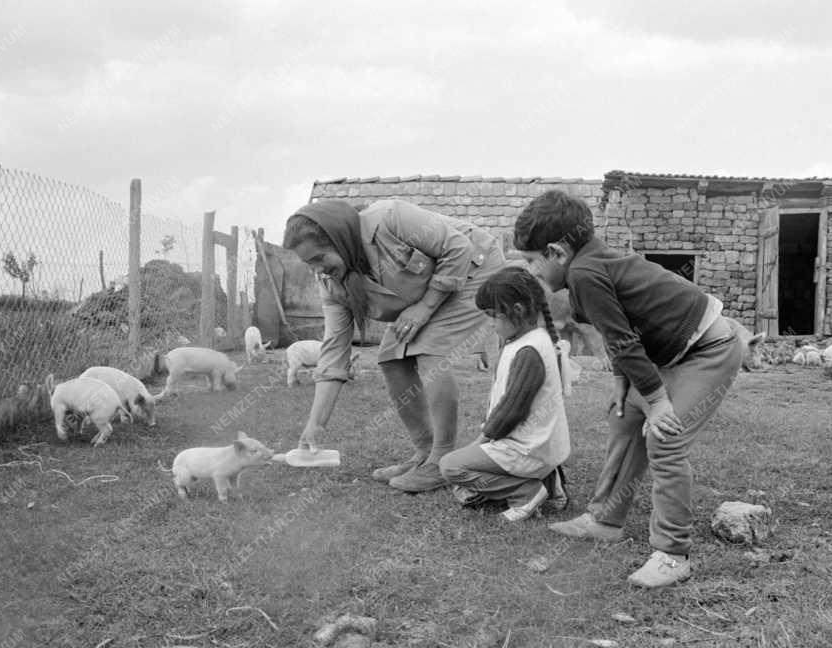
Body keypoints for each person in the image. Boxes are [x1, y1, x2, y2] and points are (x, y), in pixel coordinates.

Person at [514, 189, 741, 588]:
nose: (531, 271)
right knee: (624, 416)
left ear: (556, 252)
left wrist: (656, 402)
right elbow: (618, 328)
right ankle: (605, 520)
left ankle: (672, 554)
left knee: (664, 435)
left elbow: (623, 340)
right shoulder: (587, 265)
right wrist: (624, 383)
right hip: (672, 353)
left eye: (532, 261)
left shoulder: (584, 275)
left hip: (709, 349)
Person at [283, 198, 505, 493]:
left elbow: (458, 249)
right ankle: (425, 452)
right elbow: (334, 351)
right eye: (309, 264)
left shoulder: (389, 218)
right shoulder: (332, 286)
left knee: (428, 347)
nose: (318, 270)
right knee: (391, 357)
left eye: (321, 257)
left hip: (475, 268)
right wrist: (315, 426)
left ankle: (442, 460)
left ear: (338, 237)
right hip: (431, 288)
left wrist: (425, 308)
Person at [438, 266, 571, 521]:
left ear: (517, 312)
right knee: (466, 478)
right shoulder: (529, 339)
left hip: (527, 449)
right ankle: (548, 481)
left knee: (451, 466)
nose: (491, 323)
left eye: (493, 316)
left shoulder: (528, 351)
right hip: (533, 446)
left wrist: (482, 440)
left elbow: (511, 410)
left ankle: (526, 491)